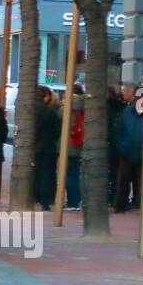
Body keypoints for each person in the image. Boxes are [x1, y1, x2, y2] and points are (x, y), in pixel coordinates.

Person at [34, 86, 62, 210]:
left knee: (36, 173)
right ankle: (45, 201)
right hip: (47, 146)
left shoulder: (31, 111)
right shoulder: (50, 112)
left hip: (35, 146)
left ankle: (36, 197)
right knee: (46, 174)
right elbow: (57, 131)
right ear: (46, 97)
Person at [66, 82, 85, 211]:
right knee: (78, 174)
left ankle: (72, 201)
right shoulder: (86, 106)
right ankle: (78, 200)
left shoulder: (67, 108)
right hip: (83, 145)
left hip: (70, 145)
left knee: (71, 174)